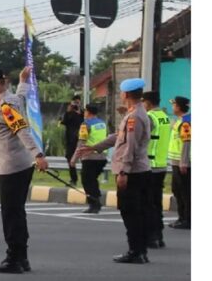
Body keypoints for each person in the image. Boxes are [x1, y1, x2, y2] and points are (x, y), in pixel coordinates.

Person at [0, 67, 49, 274]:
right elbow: (21, 97)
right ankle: (21, 257)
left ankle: (14, 259)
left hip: (12, 168)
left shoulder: (5, 106)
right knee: (17, 213)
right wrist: (23, 81)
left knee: (11, 214)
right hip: (17, 166)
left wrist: (39, 154)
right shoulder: (11, 101)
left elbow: (21, 130)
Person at [77, 78, 152, 263]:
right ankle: (139, 250)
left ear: (125, 94)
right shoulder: (136, 113)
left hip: (133, 172)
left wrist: (124, 171)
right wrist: (96, 147)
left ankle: (136, 251)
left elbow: (130, 146)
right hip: (138, 170)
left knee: (131, 212)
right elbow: (118, 137)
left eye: (121, 92)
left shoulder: (134, 117)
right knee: (136, 212)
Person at [143, 91, 171, 248]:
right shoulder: (164, 117)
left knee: (148, 204)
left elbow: (141, 138)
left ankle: (152, 237)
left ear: (147, 102)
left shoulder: (150, 117)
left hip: (150, 166)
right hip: (161, 165)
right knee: (156, 203)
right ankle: (159, 236)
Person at [70, 103, 108, 214]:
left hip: (89, 157)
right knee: (92, 181)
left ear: (88, 112)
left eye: (85, 111)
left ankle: (94, 204)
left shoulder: (85, 125)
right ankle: (96, 201)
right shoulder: (102, 123)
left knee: (87, 181)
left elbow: (81, 143)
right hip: (102, 157)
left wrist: (74, 159)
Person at [167, 96, 191, 229]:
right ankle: (181, 218)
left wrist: (184, 162)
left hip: (183, 163)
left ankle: (187, 219)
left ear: (178, 107)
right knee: (177, 190)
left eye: (174, 105)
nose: (172, 107)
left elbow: (187, 142)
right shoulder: (179, 121)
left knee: (185, 192)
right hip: (176, 162)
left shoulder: (186, 122)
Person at [59, 101, 83, 185]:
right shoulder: (78, 115)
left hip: (74, 140)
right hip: (75, 140)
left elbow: (63, 121)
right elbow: (64, 122)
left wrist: (68, 112)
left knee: (71, 159)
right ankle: (74, 179)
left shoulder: (72, 115)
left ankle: (74, 179)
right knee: (71, 159)